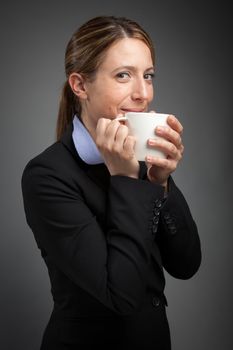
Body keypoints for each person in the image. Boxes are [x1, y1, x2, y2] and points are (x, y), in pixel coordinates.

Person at [21, 16, 201, 349]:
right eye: (123, 75)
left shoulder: (144, 157)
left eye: (147, 76)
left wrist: (161, 184)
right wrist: (126, 178)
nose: (143, 94)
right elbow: (122, 294)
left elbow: (187, 264)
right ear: (80, 85)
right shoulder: (47, 176)